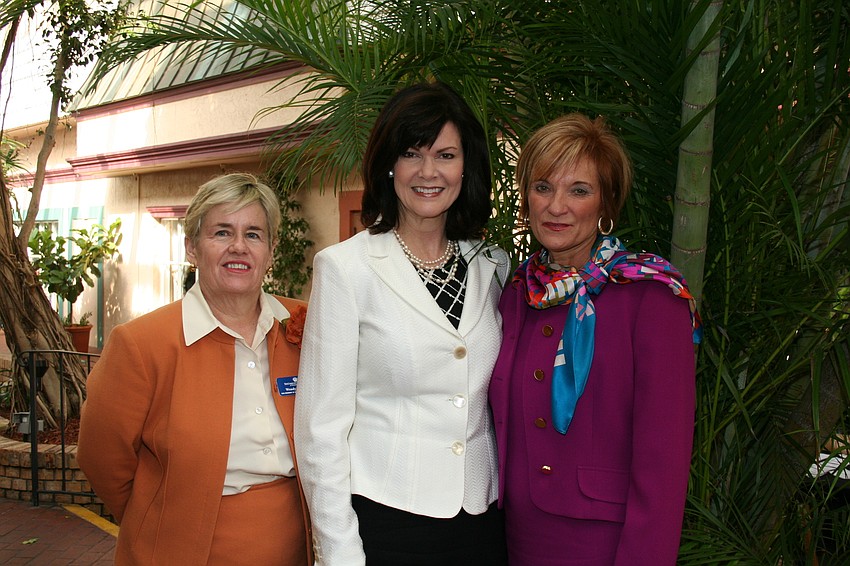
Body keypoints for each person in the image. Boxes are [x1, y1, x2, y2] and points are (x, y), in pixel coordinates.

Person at [294, 81, 510, 565]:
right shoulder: (346, 269)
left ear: (465, 166)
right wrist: (338, 550)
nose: (429, 172)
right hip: (386, 522)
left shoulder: (493, 266)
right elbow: (320, 428)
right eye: (413, 153)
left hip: (481, 520)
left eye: (446, 155)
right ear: (389, 164)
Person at [489, 114, 701, 565]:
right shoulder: (514, 295)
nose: (556, 205)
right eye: (543, 187)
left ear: (605, 205)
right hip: (515, 541)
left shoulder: (651, 298)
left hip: (604, 547)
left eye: (579, 190)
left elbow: (663, 466)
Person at [77, 172, 312, 565]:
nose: (239, 247)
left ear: (271, 251)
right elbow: (102, 459)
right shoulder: (141, 344)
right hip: (180, 550)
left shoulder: (306, 325)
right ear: (191, 247)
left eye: (254, 234)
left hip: (299, 546)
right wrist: (158, 518)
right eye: (222, 232)